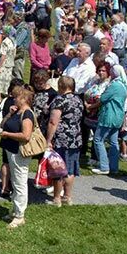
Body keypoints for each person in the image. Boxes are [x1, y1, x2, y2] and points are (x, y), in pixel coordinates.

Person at [46, 75, 84, 206]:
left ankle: (56, 198)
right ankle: (67, 196)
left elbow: (53, 121)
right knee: (70, 169)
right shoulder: (79, 100)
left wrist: (48, 140)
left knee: (58, 169)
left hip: (61, 138)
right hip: (75, 138)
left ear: (60, 86)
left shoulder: (59, 100)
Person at [0, 85, 35, 228]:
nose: (14, 99)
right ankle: (14, 210)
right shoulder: (16, 111)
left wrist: (8, 135)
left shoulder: (27, 114)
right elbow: (2, 125)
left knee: (20, 183)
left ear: (24, 99)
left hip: (19, 152)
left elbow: (26, 136)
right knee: (14, 181)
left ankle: (20, 215)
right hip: (11, 150)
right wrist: (9, 114)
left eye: (17, 97)